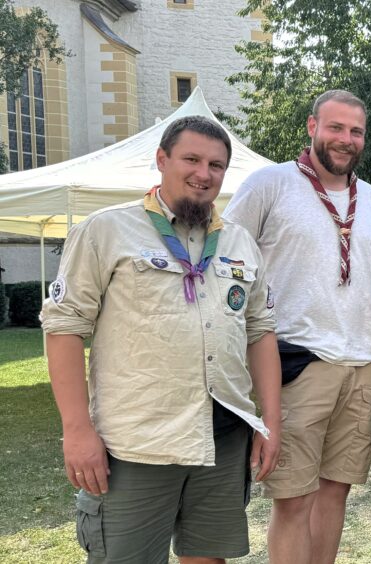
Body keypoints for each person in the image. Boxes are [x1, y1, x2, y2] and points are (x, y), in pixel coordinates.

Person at [41, 115, 281, 564]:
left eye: (216, 165)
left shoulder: (240, 242)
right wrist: (76, 430)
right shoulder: (106, 231)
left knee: (208, 557)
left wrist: (270, 422)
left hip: (224, 439)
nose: (203, 173)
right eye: (191, 159)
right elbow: (64, 327)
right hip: (138, 442)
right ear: (162, 159)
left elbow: (261, 332)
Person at [223, 89, 371, 564]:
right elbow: (228, 262)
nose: (346, 139)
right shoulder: (269, 185)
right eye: (336, 127)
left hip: (359, 364)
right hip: (296, 361)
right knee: (293, 498)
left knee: (335, 491)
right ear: (312, 126)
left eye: (356, 131)